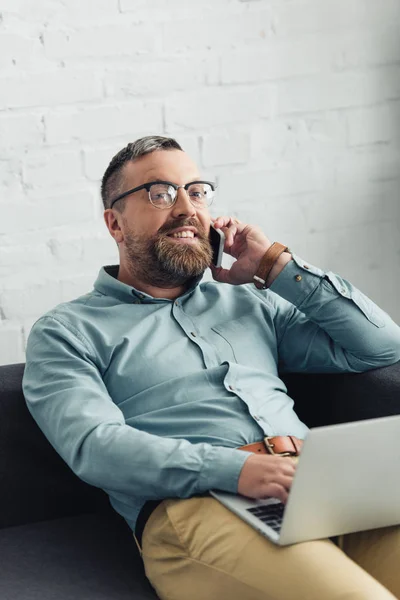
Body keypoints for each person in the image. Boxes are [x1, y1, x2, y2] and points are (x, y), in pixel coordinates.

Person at [23, 135, 400, 600]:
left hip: (319, 484)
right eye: (160, 193)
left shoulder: (253, 301)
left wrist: (274, 265)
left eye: (196, 191)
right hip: (198, 508)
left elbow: (380, 347)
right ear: (115, 223)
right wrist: (236, 468)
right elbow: (95, 447)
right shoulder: (66, 331)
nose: (186, 208)